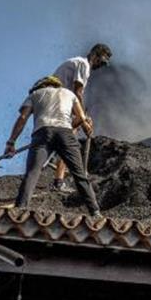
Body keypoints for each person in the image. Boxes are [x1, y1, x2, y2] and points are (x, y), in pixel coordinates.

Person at [4, 75, 102, 218]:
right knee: (79, 175)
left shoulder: (34, 94)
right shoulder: (69, 94)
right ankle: (96, 212)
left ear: (42, 86)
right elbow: (81, 118)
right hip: (65, 133)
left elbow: (23, 118)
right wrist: (79, 127)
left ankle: (20, 209)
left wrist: (11, 142)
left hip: (42, 133)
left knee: (32, 172)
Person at [48, 43, 113, 192]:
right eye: (101, 62)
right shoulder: (83, 64)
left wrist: (81, 118)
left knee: (72, 131)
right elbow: (77, 92)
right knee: (69, 138)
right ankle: (58, 181)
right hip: (57, 102)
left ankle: (56, 161)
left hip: (53, 101)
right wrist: (83, 119)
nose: (101, 66)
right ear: (95, 55)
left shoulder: (77, 63)